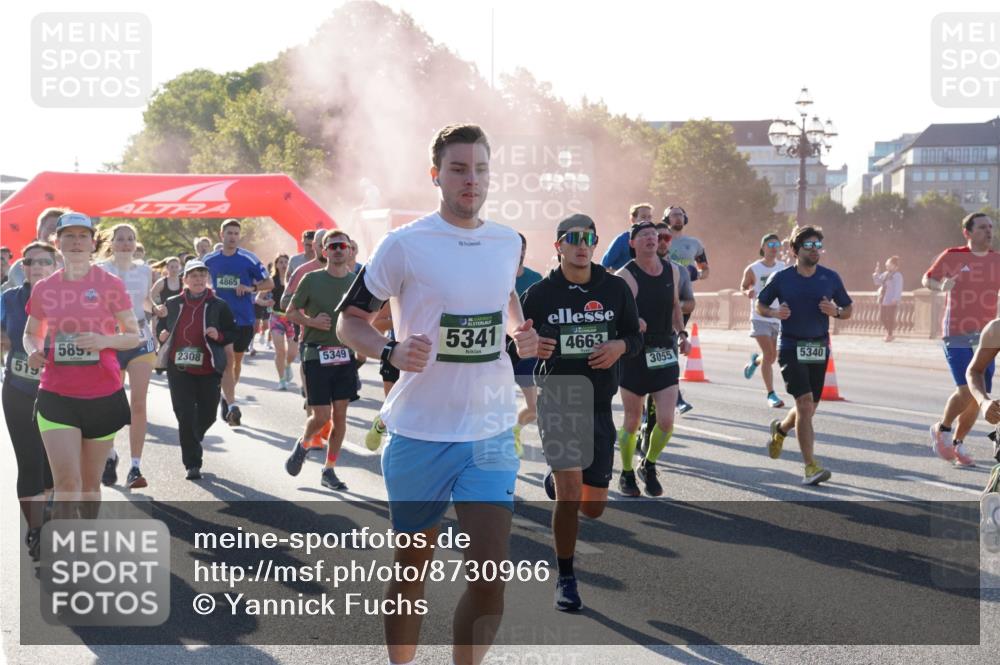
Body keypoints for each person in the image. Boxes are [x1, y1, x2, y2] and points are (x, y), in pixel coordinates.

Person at [336, 123, 537, 665]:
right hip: (421, 431)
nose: (471, 180)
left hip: (491, 431)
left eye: (480, 169)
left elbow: (506, 297)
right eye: (458, 168)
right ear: (436, 175)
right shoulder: (404, 244)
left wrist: (521, 331)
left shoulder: (508, 242)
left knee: (490, 578)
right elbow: (349, 321)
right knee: (411, 569)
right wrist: (389, 352)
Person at [522, 213, 641, 611]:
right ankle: (566, 578)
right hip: (557, 398)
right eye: (573, 238)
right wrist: (529, 347)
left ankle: (558, 483)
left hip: (598, 403)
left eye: (588, 237)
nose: (581, 244)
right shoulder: (539, 295)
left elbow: (634, 336)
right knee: (572, 493)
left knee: (593, 507)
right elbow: (512, 346)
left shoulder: (615, 289)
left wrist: (619, 348)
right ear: (558, 246)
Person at [22, 212, 137, 519]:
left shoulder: (109, 284)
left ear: (93, 243)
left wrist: (104, 341)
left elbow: (133, 336)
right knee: (67, 484)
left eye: (82, 236)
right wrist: (33, 350)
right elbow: (31, 333)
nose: (75, 242)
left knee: (89, 488)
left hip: (103, 394)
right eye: (68, 236)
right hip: (56, 396)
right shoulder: (44, 288)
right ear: (57, 243)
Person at [759, 226, 852, 485]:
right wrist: (775, 313)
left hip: (819, 347)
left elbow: (848, 309)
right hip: (790, 346)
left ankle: (780, 430)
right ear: (795, 250)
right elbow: (761, 304)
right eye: (809, 245)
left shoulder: (830, 277)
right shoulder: (781, 278)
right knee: (803, 404)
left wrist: (835, 311)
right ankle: (810, 467)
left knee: (808, 409)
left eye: (818, 245)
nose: (815, 250)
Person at [614, 221, 690, 497]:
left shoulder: (672, 270)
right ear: (632, 243)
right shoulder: (626, 275)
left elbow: (674, 307)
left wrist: (682, 333)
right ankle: (626, 472)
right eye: (643, 235)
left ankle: (649, 463)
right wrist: (635, 321)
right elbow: (618, 315)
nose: (650, 239)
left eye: (654, 235)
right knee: (633, 420)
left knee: (667, 420)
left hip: (664, 350)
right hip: (635, 352)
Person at [284, 231, 360, 491]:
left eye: (343, 246)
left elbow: (364, 317)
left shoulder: (356, 282)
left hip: (344, 354)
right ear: (324, 251)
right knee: (321, 416)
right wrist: (311, 322)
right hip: (316, 352)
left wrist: (361, 346)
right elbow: (290, 311)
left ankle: (329, 469)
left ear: (350, 251)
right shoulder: (311, 279)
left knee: (340, 415)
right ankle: (304, 443)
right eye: (333, 246)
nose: (339, 250)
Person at [925, 213, 1000, 468]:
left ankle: (958, 442)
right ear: (967, 233)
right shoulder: (953, 255)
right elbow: (928, 279)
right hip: (956, 330)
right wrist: (941, 286)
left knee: (980, 394)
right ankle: (943, 428)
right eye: (982, 227)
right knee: (966, 389)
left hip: (986, 335)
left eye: (990, 227)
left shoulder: (997, 260)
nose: (988, 231)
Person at [156, 260, 237, 480]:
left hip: (208, 367)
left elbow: (231, 332)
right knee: (184, 413)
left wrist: (218, 335)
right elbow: (161, 327)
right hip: (179, 366)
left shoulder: (219, 305)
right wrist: (161, 335)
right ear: (185, 280)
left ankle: (193, 435)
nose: (199, 279)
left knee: (208, 414)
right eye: (194, 276)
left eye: (202, 275)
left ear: (207, 278)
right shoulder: (172, 303)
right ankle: (192, 463)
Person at [2, 241, 57, 559]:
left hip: (59, 393)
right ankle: (35, 530)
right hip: (18, 390)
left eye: (44, 262)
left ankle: (49, 514)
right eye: (31, 262)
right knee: (29, 463)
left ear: (55, 266)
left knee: (52, 467)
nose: (37, 267)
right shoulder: (9, 298)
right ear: (23, 267)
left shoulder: (68, 298)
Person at [97, 224, 157, 489]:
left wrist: (157, 308)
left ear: (135, 243)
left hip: (141, 339)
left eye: (130, 239)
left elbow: (144, 301)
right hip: (111, 340)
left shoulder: (145, 270)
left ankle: (135, 466)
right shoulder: (100, 269)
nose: (125, 243)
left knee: (139, 404)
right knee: (110, 403)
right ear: (112, 243)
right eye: (120, 239)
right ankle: (109, 456)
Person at [203, 219, 274, 426]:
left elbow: (268, 282)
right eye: (229, 233)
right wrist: (208, 289)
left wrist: (250, 288)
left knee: (236, 361)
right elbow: (194, 280)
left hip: (243, 318)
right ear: (221, 235)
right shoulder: (209, 259)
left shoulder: (248, 259)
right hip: (218, 318)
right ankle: (229, 402)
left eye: (236, 233)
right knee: (227, 361)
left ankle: (226, 397)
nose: (232, 237)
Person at [740, 233, 787, 408]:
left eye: (776, 244)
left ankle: (754, 361)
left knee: (773, 356)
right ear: (763, 247)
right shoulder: (753, 268)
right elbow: (743, 286)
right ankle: (771, 394)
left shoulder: (783, 267)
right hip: (760, 316)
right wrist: (748, 293)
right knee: (769, 355)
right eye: (770, 244)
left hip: (777, 317)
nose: (774, 247)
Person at [510, 232, 543, 457]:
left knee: (534, 408)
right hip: (497, 350)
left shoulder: (535, 278)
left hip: (525, 350)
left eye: (522, 247)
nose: (519, 251)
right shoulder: (494, 275)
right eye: (515, 247)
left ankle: (514, 430)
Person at [6, 207, 66, 288]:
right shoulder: (20, 267)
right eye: (51, 228)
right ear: (39, 232)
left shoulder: (75, 267)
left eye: (59, 230)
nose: (54, 235)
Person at [263, 254, 298, 390]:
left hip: (292, 318)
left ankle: (288, 365)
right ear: (276, 265)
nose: (283, 265)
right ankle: (282, 380)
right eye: (281, 262)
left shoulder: (294, 280)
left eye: (286, 262)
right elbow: (258, 299)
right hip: (276, 318)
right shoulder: (272, 281)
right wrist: (267, 302)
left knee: (293, 353)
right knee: (280, 351)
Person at [599, 202, 654, 270]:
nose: (647, 220)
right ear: (633, 219)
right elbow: (603, 266)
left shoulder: (654, 240)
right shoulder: (622, 240)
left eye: (649, 217)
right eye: (643, 217)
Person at [873, 256, 904, 342]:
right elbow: (877, 282)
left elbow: (899, 288)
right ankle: (889, 333)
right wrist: (876, 273)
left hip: (891, 300)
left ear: (894, 266)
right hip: (883, 299)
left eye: (889, 265)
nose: (887, 266)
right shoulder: (885, 274)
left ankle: (889, 334)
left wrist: (895, 299)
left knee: (890, 318)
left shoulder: (898, 275)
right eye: (887, 265)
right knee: (882, 317)